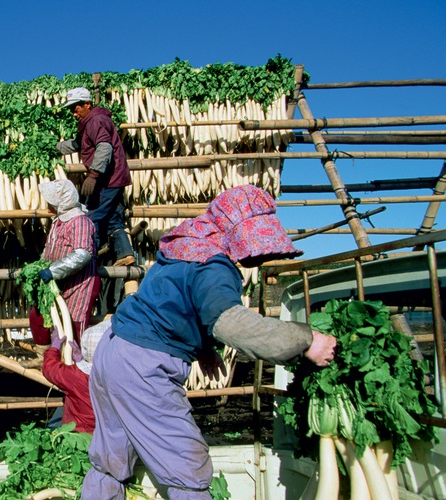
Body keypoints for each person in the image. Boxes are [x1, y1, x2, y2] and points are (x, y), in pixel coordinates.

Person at [81, 185, 339, 499]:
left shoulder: (185, 248)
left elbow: (174, 302)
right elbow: (231, 322)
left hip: (114, 351)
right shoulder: (214, 266)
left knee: (112, 457)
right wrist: (307, 341)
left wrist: (204, 348)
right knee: (186, 466)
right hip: (142, 366)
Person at [24, 179, 100, 368]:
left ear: (62, 202)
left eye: (51, 201)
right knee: (38, 315)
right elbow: (49, 250)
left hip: (80, 284)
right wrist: (40, 266)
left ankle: (77, 367)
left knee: (73, 325)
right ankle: (45, 356)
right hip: (57, 282)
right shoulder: (58, 222)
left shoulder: (80, 222)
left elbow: (82, 254)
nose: (48, 205)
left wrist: (53, 270)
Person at [56, 87, 135, 267]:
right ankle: (125, 254)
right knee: (113, 218)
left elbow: (104, 148)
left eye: (76, 108)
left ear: (87, 104)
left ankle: (89, 259)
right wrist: (56, 147)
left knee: (92, 217)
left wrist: (93, 175)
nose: (73, 113)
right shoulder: (90, 123)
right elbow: (79, 144)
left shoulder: (95, 121)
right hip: (112, 179)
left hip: (107, 180)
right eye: (71, 110)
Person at [40, 319, 109, 434]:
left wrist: (54, 348)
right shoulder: (118, 375)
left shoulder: (76, 377)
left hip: (79, 433)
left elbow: (50, 369)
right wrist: (81, 359)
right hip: (105, 434)